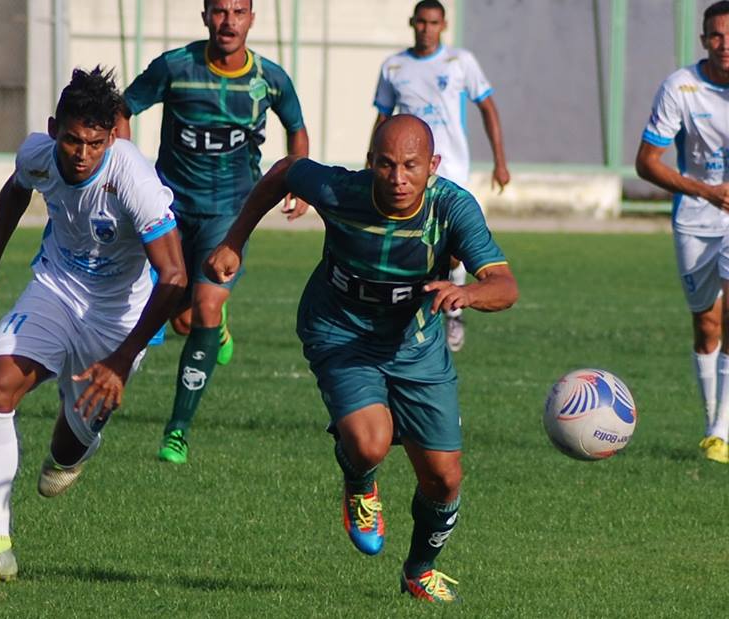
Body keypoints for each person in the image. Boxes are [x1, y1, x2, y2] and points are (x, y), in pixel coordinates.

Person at [205, 115, 518, 603]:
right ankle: (359, 480)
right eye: (387, 165)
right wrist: (233, 241)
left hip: (415, 346)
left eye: (411, 166)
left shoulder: (452, 208)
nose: (398, 178)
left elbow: (505, 284)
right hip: (339, 332)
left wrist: (469, 293)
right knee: (371, 442)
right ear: (370, 162)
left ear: (432, 165)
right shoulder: (341, 190)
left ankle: (419, 570)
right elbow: (288, 168)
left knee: (444, 477)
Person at [0, 67, 186, 583]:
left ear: (111, 138)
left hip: (118, 321)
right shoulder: (38, 154)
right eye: (71, 140)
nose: (81, 154)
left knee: (64, 452)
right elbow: (15, 191)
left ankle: (76, 446)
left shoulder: (131, 175)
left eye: (95, 142)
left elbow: (174, 277)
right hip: (56, 292)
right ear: (53, 129)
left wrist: (121, 361)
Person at [117, 0, 309, 464]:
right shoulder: (175, 67)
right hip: (171, 209)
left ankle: (177, 432)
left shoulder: (269, 79)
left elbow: (297, 128)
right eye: (219, 11)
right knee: (182, 318)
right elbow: (123, 107)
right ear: (205, 16)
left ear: (251, 19)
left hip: (231, 214)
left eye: (238, 12)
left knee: (204, 307)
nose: (228, 21)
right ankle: (216, 333)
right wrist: (126, 165)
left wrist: (299, 179)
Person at [370, 0, 509, 352]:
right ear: (412, 23)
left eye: (433, 22)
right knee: (410, 238)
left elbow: (488, 106)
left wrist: (500, 160)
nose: (426, 29)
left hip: (451, 171)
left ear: (443, 26)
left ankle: (453, 313)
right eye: (421, 22)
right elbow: (383, 120)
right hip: (409, 171)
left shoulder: (460, 62)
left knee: (452, 248)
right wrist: (373, 161)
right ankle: (406, 312)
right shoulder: (394, 66)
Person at [636, 0, 729, 464]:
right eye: (716, 35)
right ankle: (713, 420)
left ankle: (721, 430)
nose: (725, 45)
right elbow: (646, 163)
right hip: (695, 217)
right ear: (703, 40)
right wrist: (704, 190)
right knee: (706, 325)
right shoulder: (681, 87)